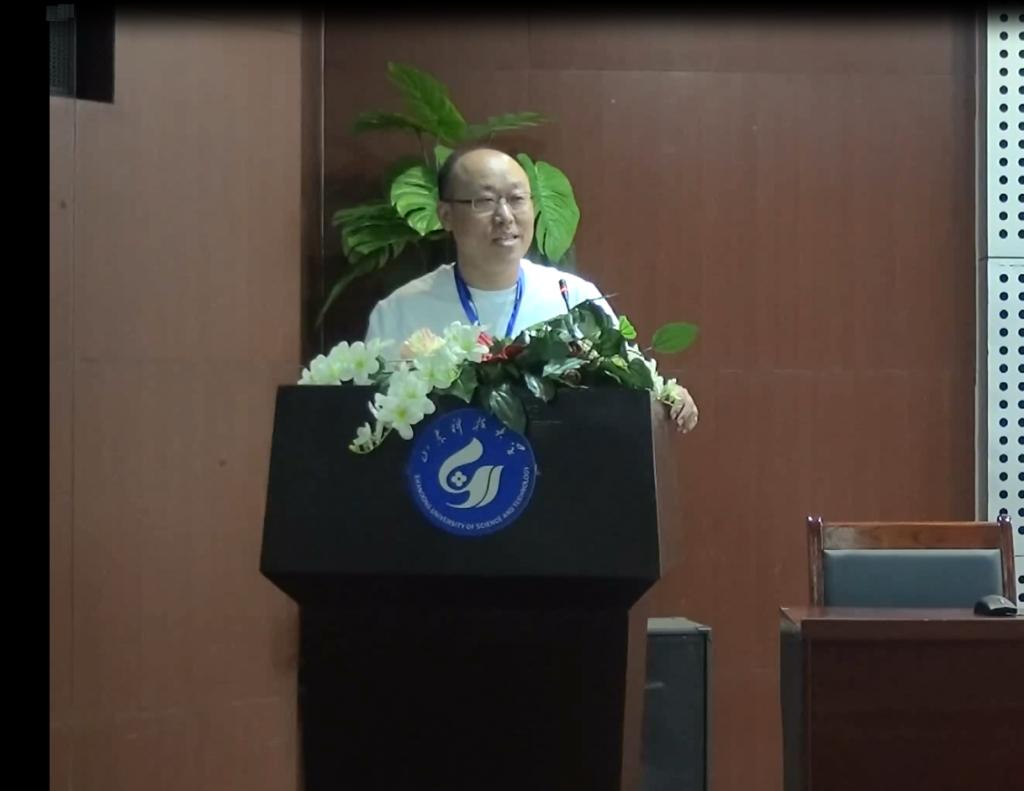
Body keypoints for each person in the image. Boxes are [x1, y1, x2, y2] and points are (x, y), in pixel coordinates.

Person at [364, 146, 698, 432]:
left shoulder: (573, 298)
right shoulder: (400, 311)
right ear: (446, 215)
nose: (505, 216)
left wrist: (669, 398)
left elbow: (632, 388)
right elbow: (372, 414)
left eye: (517, 199)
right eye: (485, 201)